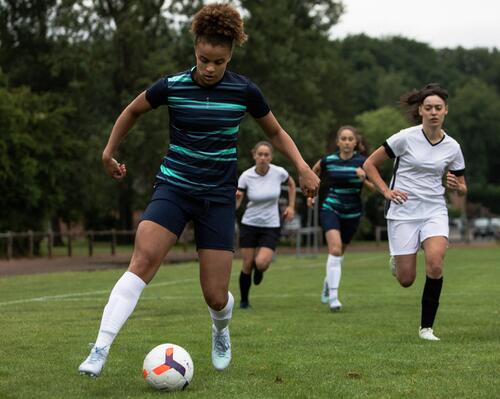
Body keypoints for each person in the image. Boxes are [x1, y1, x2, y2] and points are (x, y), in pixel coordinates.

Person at [78, 3, 319, 377]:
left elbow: (274, 131)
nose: (209, 68)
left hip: (217, 199)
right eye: (204, 59)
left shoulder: (244, 91)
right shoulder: (172, 86)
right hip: (173, 188)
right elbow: (132, 111)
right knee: (141, 262)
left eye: (218, 62)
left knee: (215, 295)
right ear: (195, 49)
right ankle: (99, 348)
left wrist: (302, 167)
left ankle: (220, 329)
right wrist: (109, 152)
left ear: (230, 56)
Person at [363, 83, 467, 341]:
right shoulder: (404, 137)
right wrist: (386, 191)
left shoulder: (452, 147)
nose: (433, 112)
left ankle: (426, 328)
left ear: (446, 111)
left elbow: (462, 187)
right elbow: (369, 164)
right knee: (406, 279)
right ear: (420, 110)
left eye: (438, 108)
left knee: (435, 262)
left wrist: (459, 187)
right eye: (429, 107)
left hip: (434, 210)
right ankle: (397, 261)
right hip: (403, 211)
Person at [308, 126, 374, 312]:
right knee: (335, 249)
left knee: (340, 253)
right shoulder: (328, 160)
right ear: (338, 142)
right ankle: (334, 298)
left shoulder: (364, 162)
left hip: (352, 213)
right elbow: (312, 174)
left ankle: (328, 283)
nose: (346, 142)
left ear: (355, 142)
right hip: (331, 207)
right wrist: (311, 195)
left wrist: (364, 180)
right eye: (343, 139)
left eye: (350, 139)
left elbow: (376, 189)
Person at [236, 141, 296, 309]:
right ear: (254, 155)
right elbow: (237, 204)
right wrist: (237, 199)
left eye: (266, 155)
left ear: (271, 157)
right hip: (249, 223)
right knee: (247, 264)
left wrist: (291, 207)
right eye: (260, 154)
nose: (263, 158)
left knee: (261, 263)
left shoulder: (279, 172)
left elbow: (292, 184)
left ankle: (260, 269)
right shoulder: (246, 176)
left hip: (271, 224)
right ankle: (244, 301)